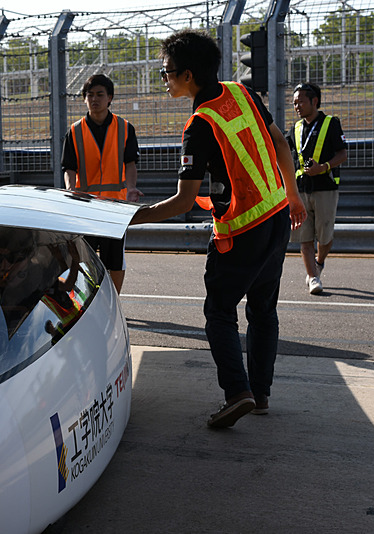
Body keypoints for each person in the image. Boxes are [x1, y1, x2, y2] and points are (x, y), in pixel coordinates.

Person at [130, 29, 306, 428]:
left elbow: (181, 201)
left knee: (219, 312)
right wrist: (293, 195)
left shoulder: (198, 125)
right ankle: (259, 394)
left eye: (167, 72)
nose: (165, 79)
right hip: (277, 216)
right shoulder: (242, 94)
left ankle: (236, 393)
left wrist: (129, 217)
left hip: (241, 231)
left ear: (188, 75)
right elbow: (281, 145)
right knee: (263, 311)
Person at [61, 73, 143, 294]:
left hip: (115, 207)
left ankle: (113, 300)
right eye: (90, 95)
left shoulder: (125, 128)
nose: (94, 99)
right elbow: (69, 167)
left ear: (110, 98)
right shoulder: (75, 131)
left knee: (114, 260)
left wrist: (132, 187)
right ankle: (89, 302)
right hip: (85, 206)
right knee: (84, 259)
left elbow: (130, 163)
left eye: (100, 94)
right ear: (84, 99)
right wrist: (71, 189)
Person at [287, 82, 348, 295]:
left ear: (314, 101)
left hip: (325, 188)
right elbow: (283, 154)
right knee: (303, 235)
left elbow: (343, 154)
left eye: (300, 101)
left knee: (324, 235)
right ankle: (313, 277)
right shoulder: (294, 128)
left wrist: (323, 168)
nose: (297, 106)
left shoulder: (331, 123)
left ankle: (319, 261)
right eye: (294, 103)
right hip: (301, 188)